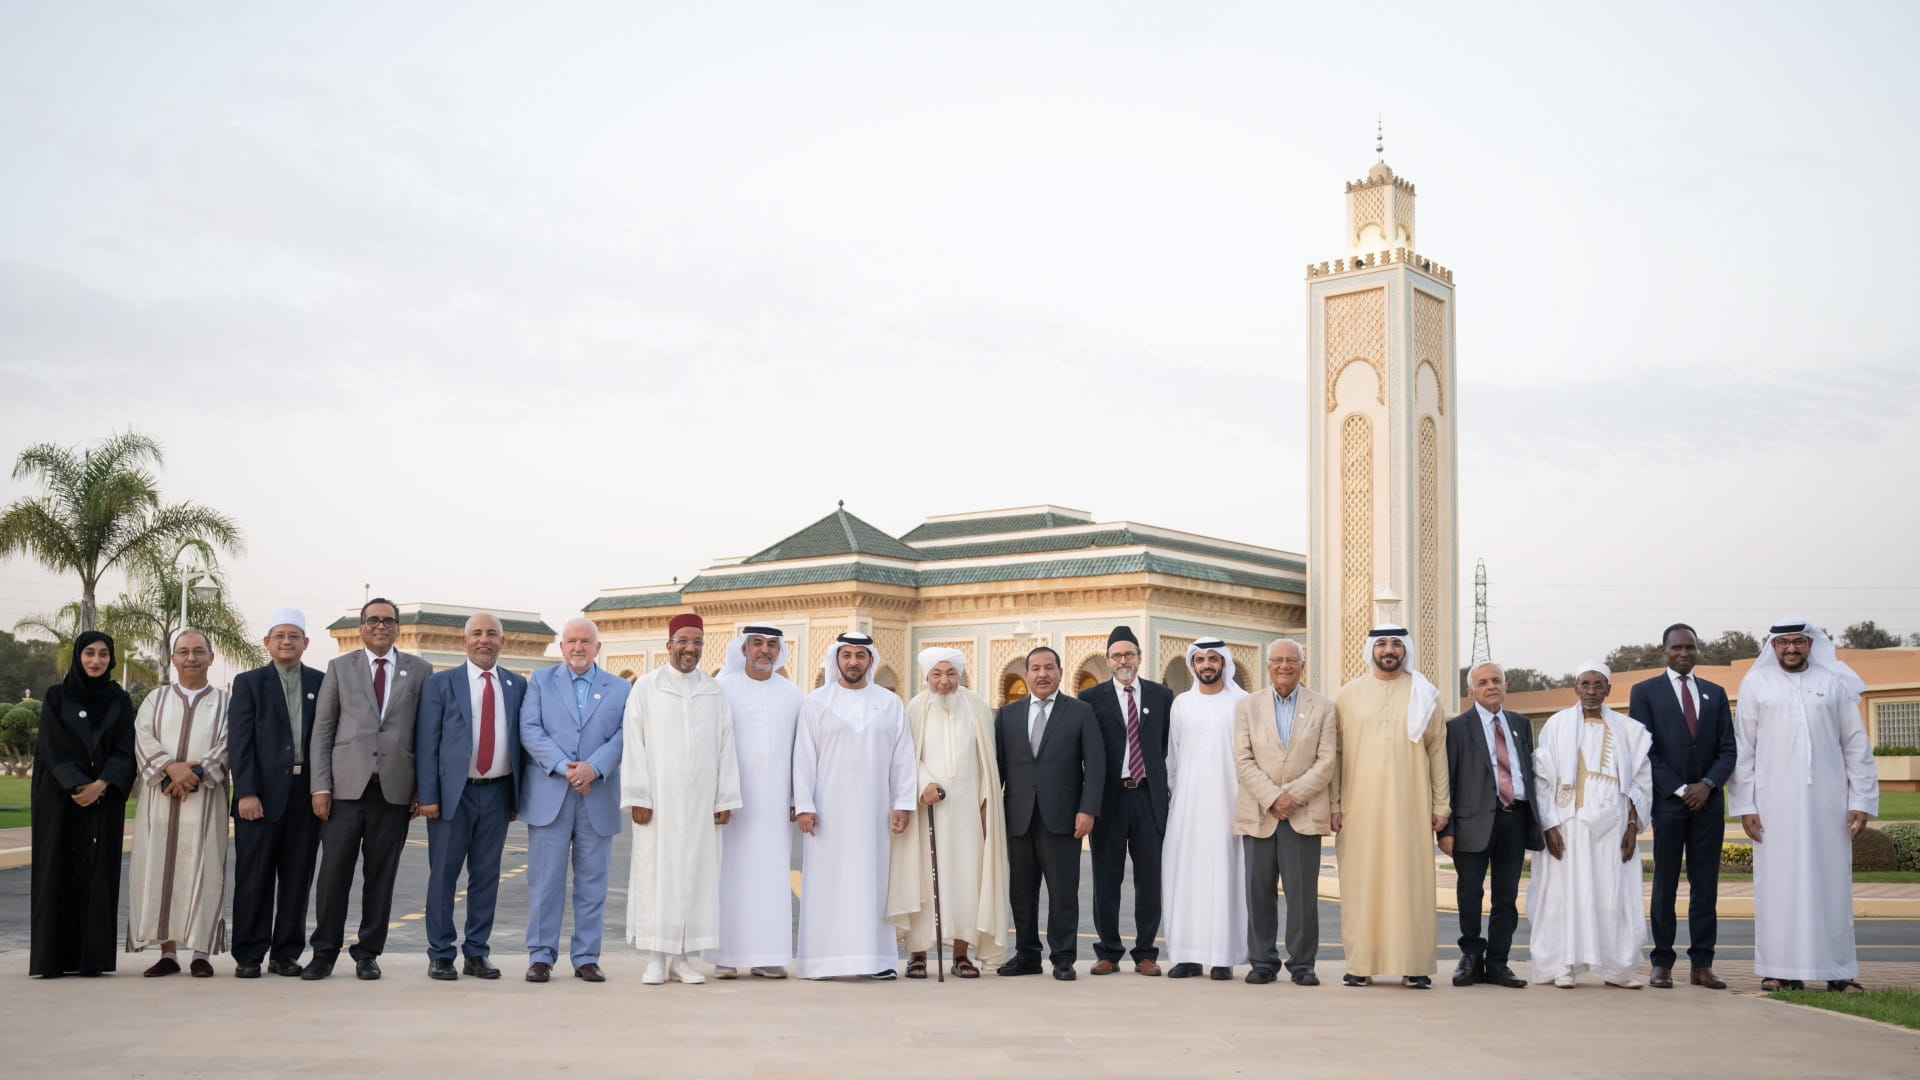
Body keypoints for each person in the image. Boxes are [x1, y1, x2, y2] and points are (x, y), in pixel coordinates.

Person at [1731, 619, 1879, 993]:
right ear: (1773, 646)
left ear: (1811, 644)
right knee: (1778, 887)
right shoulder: (1756, 683)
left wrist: (1860, 799)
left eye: (1798, 641)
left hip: (1829, 804)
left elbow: (1856, 745)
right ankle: (1779, 970)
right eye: (1784, 643)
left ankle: (1838, 971)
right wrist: (1745, 804)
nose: (1791, 649)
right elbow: (1743, 749)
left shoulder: (1834, 683)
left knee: (1832, 885)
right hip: (1773, 806)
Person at [305, 597, 433, 982]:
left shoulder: (420, 670)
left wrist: (422, 788)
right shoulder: (340, 668)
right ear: (361, 627)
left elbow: (426, 734)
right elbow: (322, 731)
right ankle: (324, 953)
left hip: (394, 792)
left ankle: (368, 952)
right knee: (333, 876)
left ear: (398, 628)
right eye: (373, 620)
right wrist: (320, 786)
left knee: (381, 877)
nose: (381, 626)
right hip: (344, 791)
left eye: (388, 621)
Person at [620, 613, 742, 986]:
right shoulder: (647, 687)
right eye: (684, 641)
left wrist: (724, 798)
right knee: (658, 875)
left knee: (695, 878)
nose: (690, 648)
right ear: (669, 645)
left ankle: (682, 958)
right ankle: (656, 958)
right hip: (659, 803)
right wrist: (638, 795)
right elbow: (633, 743)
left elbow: (725, 745)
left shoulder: (713, 690)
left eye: (697, 642)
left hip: (702, 804)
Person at [1329, 625, 1448, 989]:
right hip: (1359, 807)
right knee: (1362, 884)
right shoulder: (1347, 695)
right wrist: (1334, 803)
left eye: (1396, 643)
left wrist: (1441, 804)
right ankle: (1361, 963)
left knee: (1410, 883)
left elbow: (1437, 750)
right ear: (1371, 650)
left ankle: (1414, 964)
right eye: (1381, 643)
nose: (1389, 650)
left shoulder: (1424, 694)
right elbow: (1336, 754)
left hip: (1411, 805)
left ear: (1405, 649)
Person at [793, 632, 916, 980]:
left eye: (860, 655)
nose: (853, 662)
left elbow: (902, 757)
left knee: (873, 884)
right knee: (827, 885)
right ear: (837, 659)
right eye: (846, 655)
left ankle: (875, 961)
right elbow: (803, 757)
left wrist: (903, 803)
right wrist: (804, 805)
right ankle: (823, 963)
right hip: (827, 814)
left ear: (870, 661)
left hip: (874, 814)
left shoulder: (889, 703)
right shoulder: (816, 701)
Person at [887, 647, 1011, 979]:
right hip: (927, 810)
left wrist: (985, 805)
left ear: (960, 675)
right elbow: (906, 756)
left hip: (967, 812)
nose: (944, 681)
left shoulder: (976, 706)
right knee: (923, 879)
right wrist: (924, 783)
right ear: (926, 677)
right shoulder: (915, 708)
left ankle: (961, 954)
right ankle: (917, 954)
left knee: (966, 879)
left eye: (951, 673)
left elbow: (987, 762)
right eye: (937, 674)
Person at [415, 612, 526, 981]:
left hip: (497, 793)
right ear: (464, 641)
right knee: (443, 877)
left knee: (486, 876)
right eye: (476, 633)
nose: (484, 640)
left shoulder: (516, 685)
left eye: (491, 634)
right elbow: (427, 743)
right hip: (453, 796)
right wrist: (428, 796)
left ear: (502, 642)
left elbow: (521, 741)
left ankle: (477, 952)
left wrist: (516, 798)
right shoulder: (440, 684)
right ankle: (441, 953)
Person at [1529, 662, 1652, 989]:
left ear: (1609, 689)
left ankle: (1618, 969)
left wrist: (1632, 825)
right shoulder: (1556, 725)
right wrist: (1549, 825)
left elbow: (1640, 781)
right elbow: (1543, 779)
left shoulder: (1628, 730)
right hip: (1568, 824)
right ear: (1576, 687)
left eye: (1599, 685)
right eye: (1585, 684)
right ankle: (1563, 965)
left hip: (1614, 826)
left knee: (1614, 895)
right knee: (1565, 895)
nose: (1592, 691)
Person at [519, 616, 628, 983]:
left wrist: (593, 768)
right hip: (552, 794)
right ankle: (541, 956)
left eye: (585, 641)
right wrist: (566, 767)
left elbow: (624, 734)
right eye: (571, 641)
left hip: (597, 796)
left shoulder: (620, 688)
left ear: (598, 648)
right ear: (562, 647)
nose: (578, 647)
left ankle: (586, 957)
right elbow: (530, 729)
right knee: (545, 882)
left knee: (592, 884)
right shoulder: (540, 682)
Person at [1627, 623, 1735, 990]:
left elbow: (1728, 749)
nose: (1684, 653)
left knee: (1705, 887)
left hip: (1708, 804)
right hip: (1669, 805)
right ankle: (1662, 963)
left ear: (1697, 649)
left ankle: (1702, 965)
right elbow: (1645, 750)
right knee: (1665, 885)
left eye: (1690, 647)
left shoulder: (1715, 694)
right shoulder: (1645, 693)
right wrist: (1679, 788)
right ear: (1664, 650)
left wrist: (1707, 784)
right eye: (1676, 648)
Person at [28, 630, 136, 978]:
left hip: (104, 798)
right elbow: (51, 746)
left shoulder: (119, 700)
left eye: (103, 654)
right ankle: (52, 959)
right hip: (60, 798)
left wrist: (101, 784)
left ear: (111, 659)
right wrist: (78, 784)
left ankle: (93, 958)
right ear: (78, 656)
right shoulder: (56, 696)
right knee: (55, 871)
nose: (96, 660)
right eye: (89, 653)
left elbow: (125, 748)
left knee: (97, 874)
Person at [995, 645, 1105, 981]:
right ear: (1027, 674)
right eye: (1036, 668)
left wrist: (1088, 809)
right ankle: (1027, 955)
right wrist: (989, 811)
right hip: (1018, 818)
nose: (1042, 674)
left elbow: (1095, 764)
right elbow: (997, 768)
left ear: (1060, 672)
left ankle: (1063, 957)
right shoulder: (1007, 716)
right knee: (1021, 893)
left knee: (1062, 892)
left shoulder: (1080, 712)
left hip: (1063, 818)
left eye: (1049, 668)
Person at [127, 628, 232, 977]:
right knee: (159, 871)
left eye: (198, 651)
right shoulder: (155, 700)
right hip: (160, 801)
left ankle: (201, 952)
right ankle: (167, 953)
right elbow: (143, 738)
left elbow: (228, 744)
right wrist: (170, 769)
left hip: (206, 803)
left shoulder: (226, 703)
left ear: (210, 658)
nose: (191, 658)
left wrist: (194, 773)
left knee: (205, 869)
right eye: (184, 651)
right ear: (173, 658)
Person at [227, 609, 325, 978]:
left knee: (297, 878)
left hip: (306, 794)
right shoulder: (249, 683)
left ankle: (286, 954)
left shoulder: (320, 682)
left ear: (305, 643)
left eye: (294, 636)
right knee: (254, 877)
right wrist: (246, 792)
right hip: (260, 795)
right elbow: (240, 742)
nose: (287, 642)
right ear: (267, 642)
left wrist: (323, 788)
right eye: (280, 636)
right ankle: (249, 954)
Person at [1233, 637, 1336, 986]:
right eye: (1277, 660)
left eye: (1291, 660)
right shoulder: (1248, 706)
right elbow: (1243, 760)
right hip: (1259, 812)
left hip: (1302, 814)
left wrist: (1292, 797)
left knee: (1302, 895)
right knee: (1258, 892)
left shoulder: (1323, 707)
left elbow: (1326, 761)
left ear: (1302, 666)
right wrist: (1273, 798)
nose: (1284, 666)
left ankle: (1302, 964)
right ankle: (1262, 962)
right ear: (1268, 666)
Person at [1439, 662, 1542, 989]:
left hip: (1515, 820)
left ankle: (1498, 963)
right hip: (1471, 825)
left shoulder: (1520, 724)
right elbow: (1447, 781)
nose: (1490, 686)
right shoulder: (1456, 728)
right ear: (1471, 690)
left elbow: (1529, 772)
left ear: (1505, 685)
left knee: (1506, 897)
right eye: (1482, 682)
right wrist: (1446, 830)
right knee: (1470, 892)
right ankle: (1471, 958)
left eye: (1496, 680)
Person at [1078, 625, 1172, 976]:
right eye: (1116, 656)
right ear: (1108, 661)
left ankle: (1146, 952)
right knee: (1106, 879)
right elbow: (1085, 752)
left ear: (1139, 657)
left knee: (1150, 879)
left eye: (1128, 654)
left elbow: (1166, 746)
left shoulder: (1162, 696)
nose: (1123, 661)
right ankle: (1108, 952)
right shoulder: (1090, 699)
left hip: (1148, 798)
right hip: (1109, 799)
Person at [712, 623, 801, 980]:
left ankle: (768, 955)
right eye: (757, 643)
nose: (765, 650)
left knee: (771, 874)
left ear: (779, 651)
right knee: (728, 875)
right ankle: (725, 956)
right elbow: (712, 745)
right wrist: (717, 794)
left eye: (771, 645)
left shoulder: (792, 694)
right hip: (731, 801)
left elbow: (801, 751)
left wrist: (797, 796)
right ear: (744, 649)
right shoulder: (721, 688)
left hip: (776, 801)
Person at [1162, 639, 1249, 981]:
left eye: (1213, 659)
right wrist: (1176, 797)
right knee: (1187, 877)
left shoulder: (1241, 702)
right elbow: (1173, 756)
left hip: (1229, 802)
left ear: (1224, 663)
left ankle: (1222, 956)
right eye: (1200, 660)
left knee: (1225, 876)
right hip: (1188, 805)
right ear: (1192, 665)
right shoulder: (1181, 704)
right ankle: (1187, 956)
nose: (1207, 665)